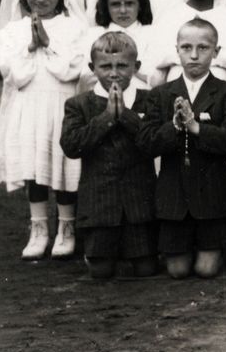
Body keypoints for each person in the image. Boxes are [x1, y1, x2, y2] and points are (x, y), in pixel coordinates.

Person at [141, 19, 226, 278]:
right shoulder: (160, 94)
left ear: (216, 52)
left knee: (205, 270)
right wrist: (175, 127)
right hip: (174, 197)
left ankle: (217, 249)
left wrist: (197, 128)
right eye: (186, 48)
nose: (194, 56)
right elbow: (147, 143)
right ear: (176, 50)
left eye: (203, 48)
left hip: (212, 196)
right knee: (177, 271)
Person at [0, 0, 86, 259]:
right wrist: (30, 47)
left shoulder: (74, 28)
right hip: (28, 105)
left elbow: (71, 71)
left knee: (63, 165)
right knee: (34, 168)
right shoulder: (12, 31)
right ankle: (38, 228)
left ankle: (66, 227)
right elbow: (14, 75)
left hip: (61, 104)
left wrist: (47, 44)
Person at [60, 31, 158, 279]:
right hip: (99, 206)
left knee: (145, 270)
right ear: (92, 68)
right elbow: (71, 146)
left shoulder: (150, 100)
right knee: (101, 272)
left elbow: (156, 142)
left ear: (136, 66)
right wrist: (106, 118)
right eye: (105, 66)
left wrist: (125, 115)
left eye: (122, 66)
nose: (114, 73)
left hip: (139, 205)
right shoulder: (78, 104)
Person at [80, 0, 160, 91]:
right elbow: (87, 78)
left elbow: (157, 79)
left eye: (129, 3)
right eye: (115, 4)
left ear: (140, 5)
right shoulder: (94, 35)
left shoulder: (153, 33)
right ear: (106, 7)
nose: (123, 10)